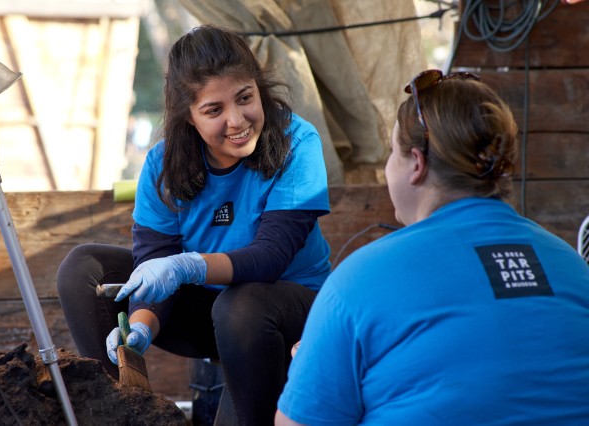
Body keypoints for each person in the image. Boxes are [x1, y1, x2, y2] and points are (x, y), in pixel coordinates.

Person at [276, 69, 589, 425]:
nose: (387, 169)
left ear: (416, 164)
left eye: (392, 154)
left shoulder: (360, 280)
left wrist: (311, 368)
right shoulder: (573, 267)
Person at [57, 25, 331, 426]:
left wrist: (188, 266)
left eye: (245, 98)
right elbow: (155, 262)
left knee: (240, 305)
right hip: (212, 313)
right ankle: (116, 410)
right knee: (83, 269)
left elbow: (270, 257)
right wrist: (139, 329)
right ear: (188, 117)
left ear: (259, 89)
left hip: (283, 316)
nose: (237, 120)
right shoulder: (163, 165)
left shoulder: (297, 142)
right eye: (213, 110)